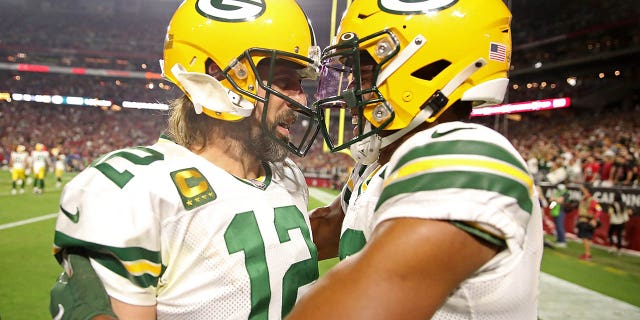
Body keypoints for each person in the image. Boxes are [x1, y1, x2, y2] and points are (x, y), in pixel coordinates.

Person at [49, 0, 322, 318]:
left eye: (301, 85)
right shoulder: (135, 189)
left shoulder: (287, 177)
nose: (301, 99)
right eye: (285, 82)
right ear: (219, 76)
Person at [288, 0, 543, 319]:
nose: (351, 88)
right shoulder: (379, 163)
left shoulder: (462, 154)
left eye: (363, 72)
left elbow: (363, 306)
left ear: (427, 68)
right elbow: (326, 227)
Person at [576, 184, 603, 261]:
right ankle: (587, 253)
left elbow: (599, 209)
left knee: (586, 238)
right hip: (582, 220)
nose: (582, 190)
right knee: (584, 238)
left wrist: (595, 219)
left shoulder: (591, 200)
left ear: (587, 189)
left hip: (587, 221)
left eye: (583, 188)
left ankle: (588, 254)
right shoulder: (584, 199)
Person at [549, 183, 569, 248]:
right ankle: (559, 240)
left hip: (561, 211)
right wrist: (555, 199)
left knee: (560, 226)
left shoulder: (566, 193)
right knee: (557, 226)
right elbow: (551, 199)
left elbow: (560, 200)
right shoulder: (557, 192)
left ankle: (563, 241)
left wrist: (555, 199)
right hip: (555, 211)